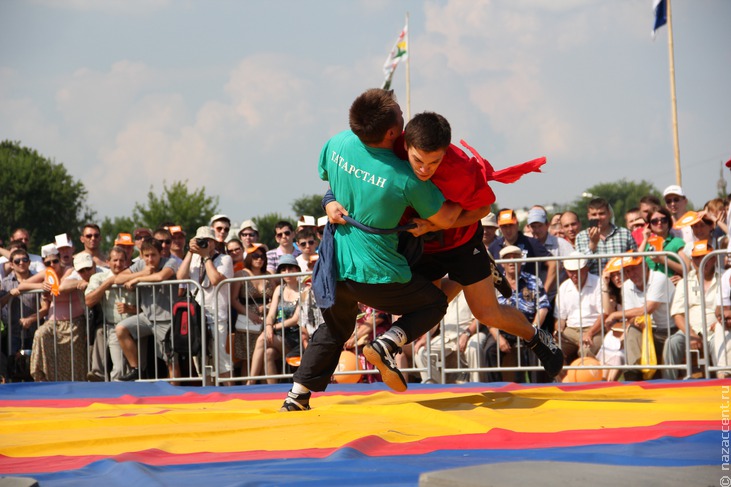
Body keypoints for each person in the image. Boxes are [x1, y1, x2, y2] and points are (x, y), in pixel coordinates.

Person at [281, 90, 462, 411]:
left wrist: (330, 201)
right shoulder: (404, 177)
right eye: (400, 117)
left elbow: (330, 182)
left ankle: (296, 395)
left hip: (335, 268)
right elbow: (447, 218)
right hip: (378, 274)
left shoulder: (336, 143)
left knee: (335, 328)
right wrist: (474, 199)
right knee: (434, 303)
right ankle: (387, 343)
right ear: (392, 133)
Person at [114, 238, 179, 381]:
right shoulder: (140, 265)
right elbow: (118, 279)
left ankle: (176, 393)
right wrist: (140, 274)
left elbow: (161, 276)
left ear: (160, 253)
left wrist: (137, 280)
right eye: (147, 255)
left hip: (166, 319)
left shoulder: (170, 262)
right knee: (121, 329)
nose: (150, 259)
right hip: (147, 318)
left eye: (154, 255)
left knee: (171, 360)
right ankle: (136, 369)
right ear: (142, 255)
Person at [604, 252, 675, 381]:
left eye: (634, 268)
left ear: (645, 265)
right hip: (646, 331)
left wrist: (615, 314)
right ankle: (633, 376)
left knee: (631, 332)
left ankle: (642, 378)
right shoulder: (627, 286)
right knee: (631, 330)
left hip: (668, 331)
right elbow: (631, 316)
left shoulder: (659, 278)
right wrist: (634, 320)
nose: (632, 274)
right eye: (627, 271)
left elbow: (648, 308)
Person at [484, 245, 550, 383]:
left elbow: (543, 306)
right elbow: (487, 313)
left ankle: (537, 389)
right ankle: (495, 390)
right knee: (490, 350)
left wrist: (533, 329)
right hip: (503, 329)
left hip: (529, 326)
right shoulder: (492, 284)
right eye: (508, 258)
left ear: (521, 261)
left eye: (515, 258)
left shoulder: (533, 280)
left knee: (539, 348)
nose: (512, 261)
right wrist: (498, 337)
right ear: (501, 263)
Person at [177, 226, 235, 382]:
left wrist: (206, 257)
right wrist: (190, 251)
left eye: (207, 241)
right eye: (200, 241)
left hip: (217, 315)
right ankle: (208, 395)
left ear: (214, 243)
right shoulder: (193, 259)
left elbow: (216, 280)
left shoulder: (224, 259)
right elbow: (180, 277)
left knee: (222, 360)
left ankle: (232, 395)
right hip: (196, 317)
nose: (203, 244)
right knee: (201, 363)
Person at [30, 253, 97, 382]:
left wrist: (80, 282)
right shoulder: (46, 275)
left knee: (75, 358)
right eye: (48, 263)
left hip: (76, 322)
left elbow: (61, 287)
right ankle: (41, 377)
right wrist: (41, 286)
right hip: (52, 323)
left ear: (60, 260)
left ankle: (79, 384)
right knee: (40, 334)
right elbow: (23, 286)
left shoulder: (71, 271)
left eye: (55, 261)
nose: (52, 265)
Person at [663, 240, 718, 380]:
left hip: (717, 329)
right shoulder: (684, 282)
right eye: (697, 258)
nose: (701, 261)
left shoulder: (726, 278)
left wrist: (721, 323)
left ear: (714, 258)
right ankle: (669, 385)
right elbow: (678, 314)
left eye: (705, 257)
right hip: (690, 329)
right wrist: (691, 334)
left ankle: (724, 383)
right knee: (671, 342)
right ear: (692, 260)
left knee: (722, 341)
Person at [248, 254, 302, 384]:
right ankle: (272, 389)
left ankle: (250, 382)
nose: (287, 272)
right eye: (283, 269)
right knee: (268, 353)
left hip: (295, 339)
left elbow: (295, 319)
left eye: (290, 268)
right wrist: (268, 327)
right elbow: (271, 314)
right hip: (277, 335)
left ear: (297, 270)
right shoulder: (279, 289)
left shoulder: (304, 290)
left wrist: (272, 328)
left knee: (261, 339)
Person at [84, 246, 136, 381]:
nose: (118, 264)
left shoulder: (134, 277)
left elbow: (147, 306)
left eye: (121, 260)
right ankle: (115, 397)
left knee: (137, 370)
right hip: (113, 327)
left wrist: (130, 309)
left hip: (136, 328)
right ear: (107, 261)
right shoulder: (99, 277)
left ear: (126, 262)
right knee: (119, 370)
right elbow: (89, 300)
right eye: (115, 260)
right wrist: (108, 283)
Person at [413, 291, 487, 384]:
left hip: (472, 333)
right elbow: (436, 320)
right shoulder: (446, 292)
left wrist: (467, 334)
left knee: (474, 347)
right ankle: (435, 389)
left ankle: (477, 386)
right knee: (421, 353)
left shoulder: (473, 290)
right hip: (446, 337)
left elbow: (480, 317)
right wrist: (425, 338)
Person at [553, 252, 603, 365]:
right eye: (571, 271)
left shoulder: (599, 283)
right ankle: (565, 382)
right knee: (551, 352)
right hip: (570, 331)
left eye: (577, 270)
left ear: (586, 269)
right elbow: (560, 318)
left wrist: (589, 333)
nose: (574, 275)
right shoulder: (564, 287)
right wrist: (558, 332)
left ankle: (586, 382)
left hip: (594, 329)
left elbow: (603, 315)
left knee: (586, 352)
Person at [489, 208, 555, 285]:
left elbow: (553, 263)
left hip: (530, 293)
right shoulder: (494, 247)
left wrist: (544, 291)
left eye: (511, 225)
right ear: (499, 228)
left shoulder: (531, 243)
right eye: (504, 226)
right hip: (502, 295)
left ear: (517, 224)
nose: (508, 230)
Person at [575, 198, 637, 275]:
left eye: (602, 213)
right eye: (594, 214)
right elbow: (582, 267)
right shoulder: (581, 237)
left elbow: (635, 260)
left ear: (609, 214)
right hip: (595, 284)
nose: (598, 217)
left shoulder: (624, 233)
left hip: (621, 283)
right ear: (589, 216)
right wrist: (593, 244)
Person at [0, 248, 43, 356]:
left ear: (29, 262)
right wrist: (10, 294)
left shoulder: (39, 280)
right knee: (13, 366)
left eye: (24, 259)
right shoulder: (5, 283)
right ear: (11, 264)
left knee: (36, 366)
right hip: (13, 332)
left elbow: (46, 307)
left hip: (35, 330)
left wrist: (31, 319)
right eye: (17, 261)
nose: (21, 263)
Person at [639, 206, 686, 279]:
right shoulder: (646, 244)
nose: (659, 223)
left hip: (670, 285)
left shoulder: (677, 242)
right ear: (649, 225)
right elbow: (637, 260)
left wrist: (663, 260)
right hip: (650, 287)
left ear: (669, 222)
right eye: (654, 221)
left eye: (663, 220)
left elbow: (687, 268)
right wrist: (645, 239)